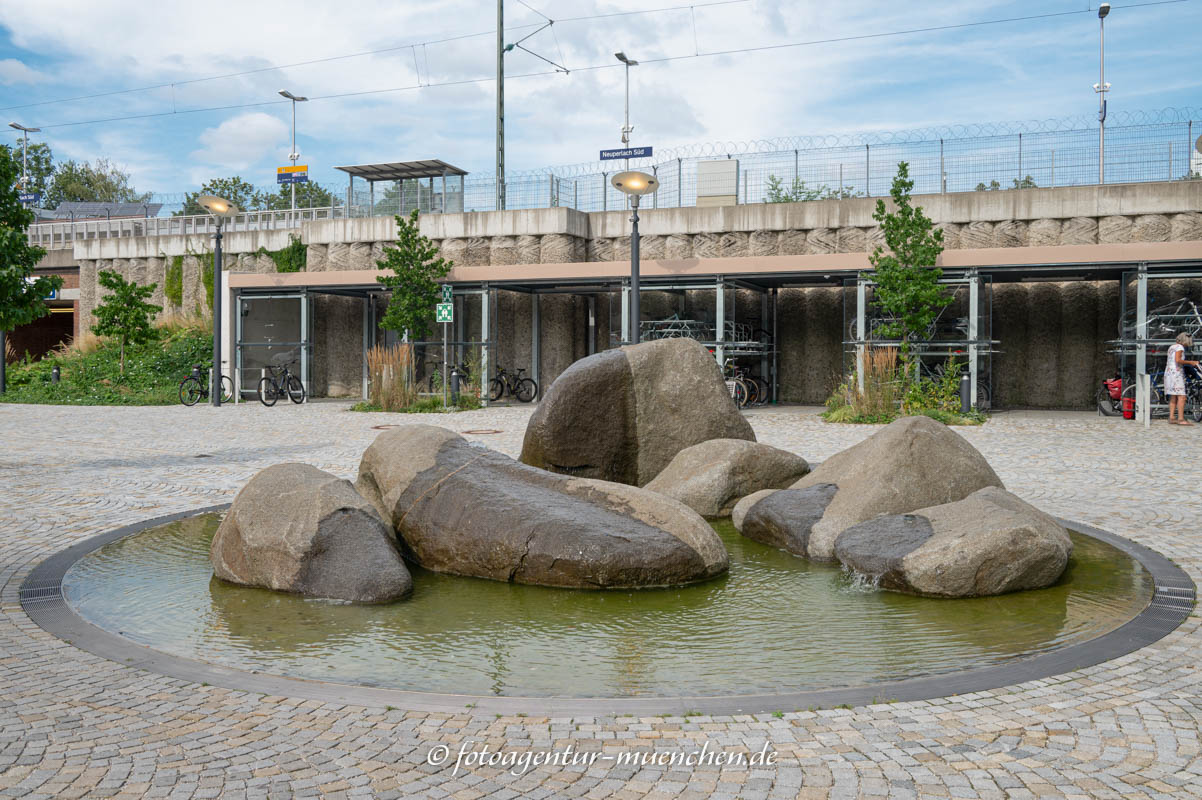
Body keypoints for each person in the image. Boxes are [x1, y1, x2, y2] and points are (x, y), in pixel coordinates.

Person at [1165, 332, 1199, 425]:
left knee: (1173, 396)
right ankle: (1181, 419)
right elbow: (1178, 360)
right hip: (1176, 373)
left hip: (1169, 373)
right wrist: (1191, 362)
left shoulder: (1172, 347)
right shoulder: (1180, 348)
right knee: (1182, 396)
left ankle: (1171, 417)